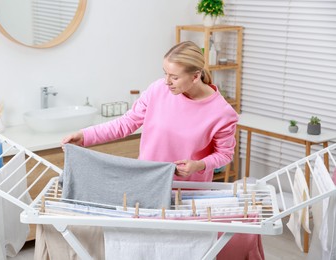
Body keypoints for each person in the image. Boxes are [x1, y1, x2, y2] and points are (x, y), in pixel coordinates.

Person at [61, 41, 238, 182]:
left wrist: (199, 165)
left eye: (174, 77)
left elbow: (224, 154)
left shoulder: (221, 113)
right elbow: (126, 123)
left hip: (188, 189)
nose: (167, 81)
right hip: (148, 181)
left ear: (195, 76)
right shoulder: (158, 89)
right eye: (165, 73)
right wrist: (84, 136)